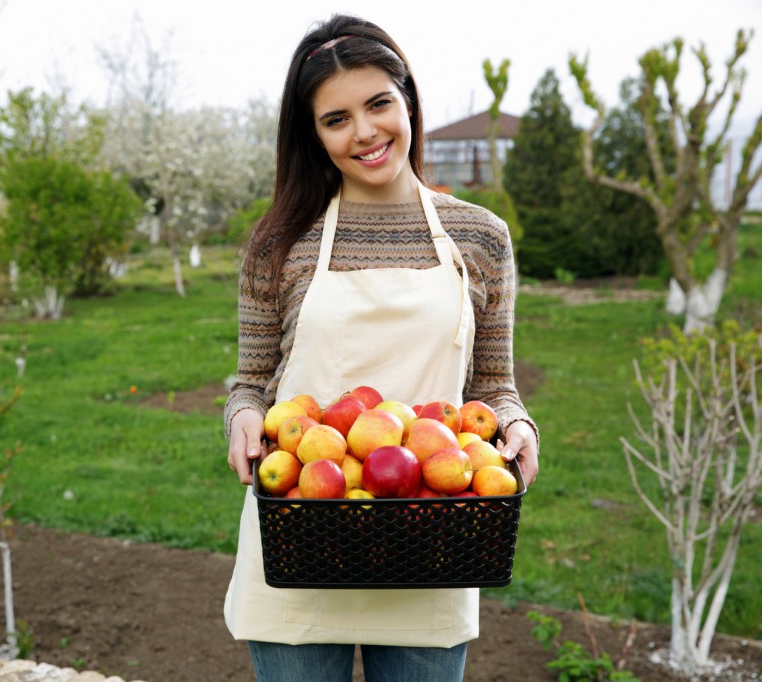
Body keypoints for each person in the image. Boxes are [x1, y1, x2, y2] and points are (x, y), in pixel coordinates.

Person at [222, 13, 539, 682]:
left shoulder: (480, 239)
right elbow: (252, 380)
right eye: (336, 119)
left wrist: (514, 422)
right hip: (301, 542)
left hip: (434, 541)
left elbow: (493, 385)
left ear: (408, 102)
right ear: (313, 135)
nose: (364, 132)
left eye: (377, 104)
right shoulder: (279, 243)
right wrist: (243, 417)